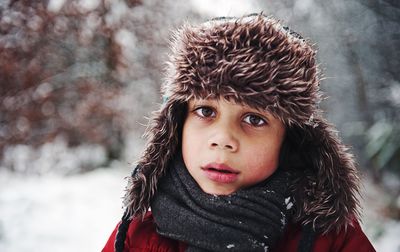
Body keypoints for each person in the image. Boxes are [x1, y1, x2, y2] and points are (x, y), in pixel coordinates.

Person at [103, 13, 376, 252]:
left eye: (254, 119)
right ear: (176, 126)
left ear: (290, 139)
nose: (223, 139)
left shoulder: (332, 241)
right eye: (206, 112)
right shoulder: (134, 237)